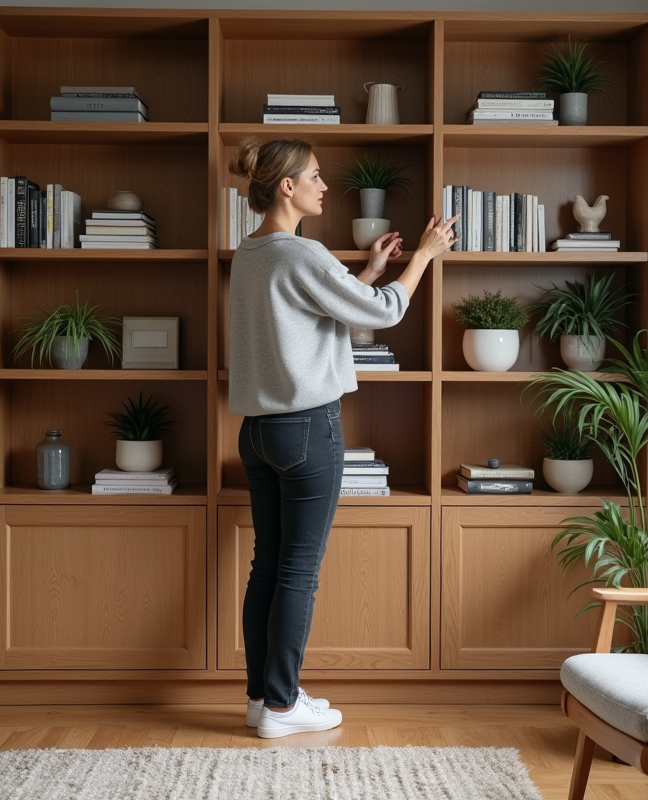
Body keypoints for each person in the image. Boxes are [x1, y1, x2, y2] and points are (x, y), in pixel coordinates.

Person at [227, 138, 456, 739]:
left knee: (268, 566)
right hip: (307, 428)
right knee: (298, 572)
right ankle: (283, 708)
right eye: (315, 176)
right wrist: (424, 255)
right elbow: (383, 313)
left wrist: (370, 271)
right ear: (287, 186)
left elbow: (314, 313)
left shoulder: (250, 253)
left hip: (256, 432)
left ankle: (263, 698)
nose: (324, 186)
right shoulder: (303, 253)